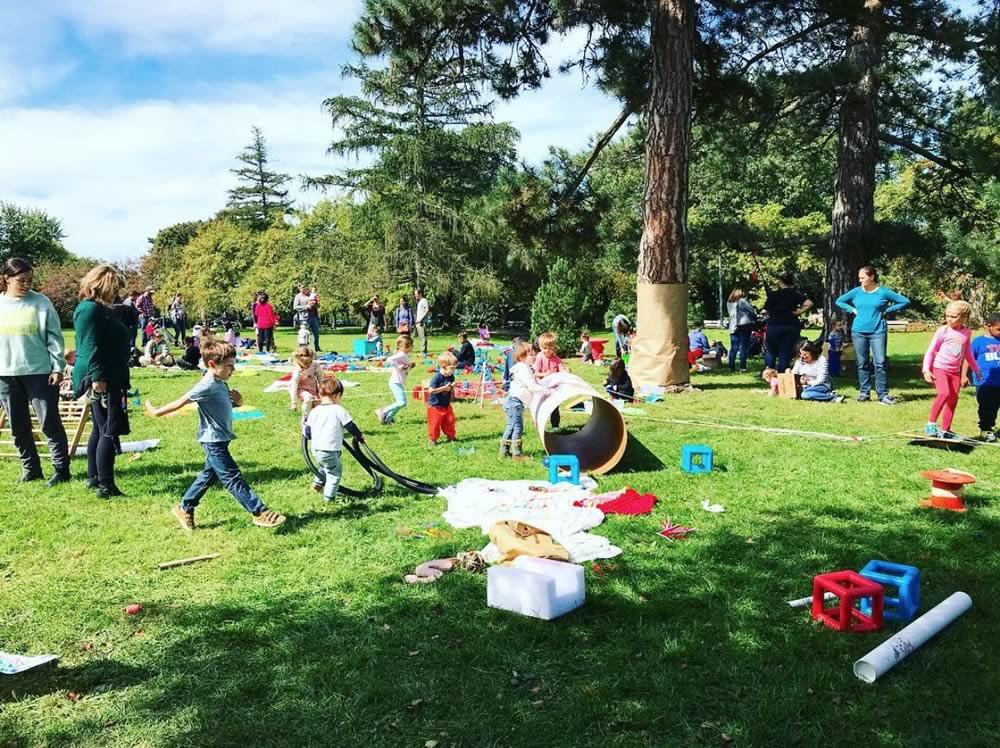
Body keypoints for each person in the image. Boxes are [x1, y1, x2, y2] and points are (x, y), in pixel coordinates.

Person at [145, 340, 286, 529]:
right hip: (213, 441)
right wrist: (156, 412)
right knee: (231, 476)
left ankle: (184, 507)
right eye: (229, 366)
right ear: (212, 365)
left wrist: (239, 402)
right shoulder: (206, 384)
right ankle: (259, 511)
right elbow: (182, 401)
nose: (233, 369)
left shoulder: (220, 381)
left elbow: (224, 404)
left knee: (208, 475)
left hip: (222, 438)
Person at [0, 257, 70, 485]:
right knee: (18, 426)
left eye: (30, 280)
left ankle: (61, 470)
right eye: (21, 280)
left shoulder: (41, 303)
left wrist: (58, 367)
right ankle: (31, 469)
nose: (27, 284)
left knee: (49, 422)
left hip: (40, 372)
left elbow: (55, 337)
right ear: (7, 279)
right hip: (6, 375)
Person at [73, 265, 132, 498]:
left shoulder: (100, 309)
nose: (117, 293)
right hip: (101, 377)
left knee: (99, 428)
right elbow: (90, 347)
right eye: (115, 288)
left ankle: (94, 477)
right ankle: (106, 485)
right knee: (109, 429)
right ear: (103, 285)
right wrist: (98, 379)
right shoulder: (89, 310)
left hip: (109, 374)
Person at [835, 265, 910, 405]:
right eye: (859, 278)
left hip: (878, 331)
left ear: (871, 277)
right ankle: (864, 392)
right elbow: (839, 301)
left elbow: (904, 301)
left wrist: (888, 310)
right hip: (859, 331)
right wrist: (851, 309)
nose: (860, 280)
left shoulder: (883, 292)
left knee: (880, 362)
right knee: (862, 362)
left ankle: (883, 394)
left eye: (862, 277)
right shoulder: (857, 292)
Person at [922, 300, 980, 438]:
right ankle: (931, 424)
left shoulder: (966, 332)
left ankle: (946, 429)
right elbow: (931, 351)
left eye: (953, 316)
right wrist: (926, 370)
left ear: (964, 317)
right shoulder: (943, 331)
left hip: (955, 371)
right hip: (940, 368)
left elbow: (967, 352)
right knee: (944, 393)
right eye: (947, 315)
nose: (949, 319)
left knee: (953, 399)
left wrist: (975, 368)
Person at [304, 378, 364, 502]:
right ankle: (328, 499)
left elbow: (308, 432)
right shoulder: (339, 410)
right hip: (329, 449)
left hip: (316, 449)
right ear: (337, 395)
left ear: (320, 394)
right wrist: (359, 436)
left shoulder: (314, 411)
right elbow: (350, 426)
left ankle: (317, 484)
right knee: (334, 474)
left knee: (324, 466)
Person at [501, 341, 548, 458]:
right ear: (522, 357)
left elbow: (533, 382)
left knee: (511, 426)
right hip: (514, 402)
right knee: (517, 427)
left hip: (515, 402)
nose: (535, 356)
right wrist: (545, 390)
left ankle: (504, 452)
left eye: (534, 353)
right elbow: (531, 385)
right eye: (531, 354)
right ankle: (517, 454)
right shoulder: (523, 369)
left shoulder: (526, 368)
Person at [763, 272, 813, 373]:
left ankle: (769, 372)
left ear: (781, 282)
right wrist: (798, 312)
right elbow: (809, 303)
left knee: (771, 351)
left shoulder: (774, 295)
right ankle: (782, 374)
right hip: (791, 325)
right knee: (785, 351)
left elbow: (766, 310)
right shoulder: (795, 294)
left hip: (775, 325)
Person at [966, 312, 1000, 442]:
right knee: (987, 407)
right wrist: (964, 375)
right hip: (984, 382)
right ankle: (986, 429)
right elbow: (968, 359)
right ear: (989, 326)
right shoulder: (979, 342)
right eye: (999, 329)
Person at [375, 334, 414, 425]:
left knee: (401, 402)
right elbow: (389, 359)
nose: (413, 347)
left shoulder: (404, 354)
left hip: (399, 381)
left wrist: (410, 366)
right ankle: (382, 411)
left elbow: (405, 367)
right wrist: (399, 367)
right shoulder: (401, 354)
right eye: (412, 345)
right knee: (402, 402)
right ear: (406, 346)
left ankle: (388, 418)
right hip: (395, 382)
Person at [533, 332, 566, 428]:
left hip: (554, 387)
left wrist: (565, 372)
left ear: (553, 347)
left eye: (550, 348)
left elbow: (561, 368)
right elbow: (535, 373)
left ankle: (555, 425)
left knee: (555, 406)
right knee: (543, 406)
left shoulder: (555, 358)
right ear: (540, 347)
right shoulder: (539, 357)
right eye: (545, 348)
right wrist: (544, 374)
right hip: (543, 387)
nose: (547, 351)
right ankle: (540, 424)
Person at [426, 351, 457, 447]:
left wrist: (452, 387)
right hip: (435, 406)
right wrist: (443, 388)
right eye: (451, 368)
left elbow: (451, 388)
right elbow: (431, 390)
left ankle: (451, 436)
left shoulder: (451, 376)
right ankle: (433, 439)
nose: (453, 371)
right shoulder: (437, 377)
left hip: (446, 404)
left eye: (454, 369)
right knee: (434, 424)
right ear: (443, 366)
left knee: (450, 421)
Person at [726, 289, 756, 373]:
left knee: (734, 348)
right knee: (743, 347)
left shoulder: (729, 303)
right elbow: (751, 310)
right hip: (744, 325)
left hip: (733, 326)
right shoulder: (742, 301)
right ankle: (742, 367)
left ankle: (731, 366)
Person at [289, 345, 321, 415]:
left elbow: (320, 379)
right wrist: (294, 402)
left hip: (312, 388)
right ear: (298, 360)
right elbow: (294, 386)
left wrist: (322, 391)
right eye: (305, 364)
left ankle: (313, 416)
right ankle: (305, 417)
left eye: (310, 363)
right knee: (308, 398)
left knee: (317, 404)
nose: (308, 366)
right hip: (301, 389)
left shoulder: (315, 366)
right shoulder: (297, 370)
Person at [414, 287, 430, 357]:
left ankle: (424, 352)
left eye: (416, 294)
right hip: (418, 322)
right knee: (421, 337)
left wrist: (421, 319)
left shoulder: (424, 300)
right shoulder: (419, 302)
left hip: (422, 322)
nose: (415, 295)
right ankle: (423, 351)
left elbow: (427, 310)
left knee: (423, 337)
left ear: (420, 294)